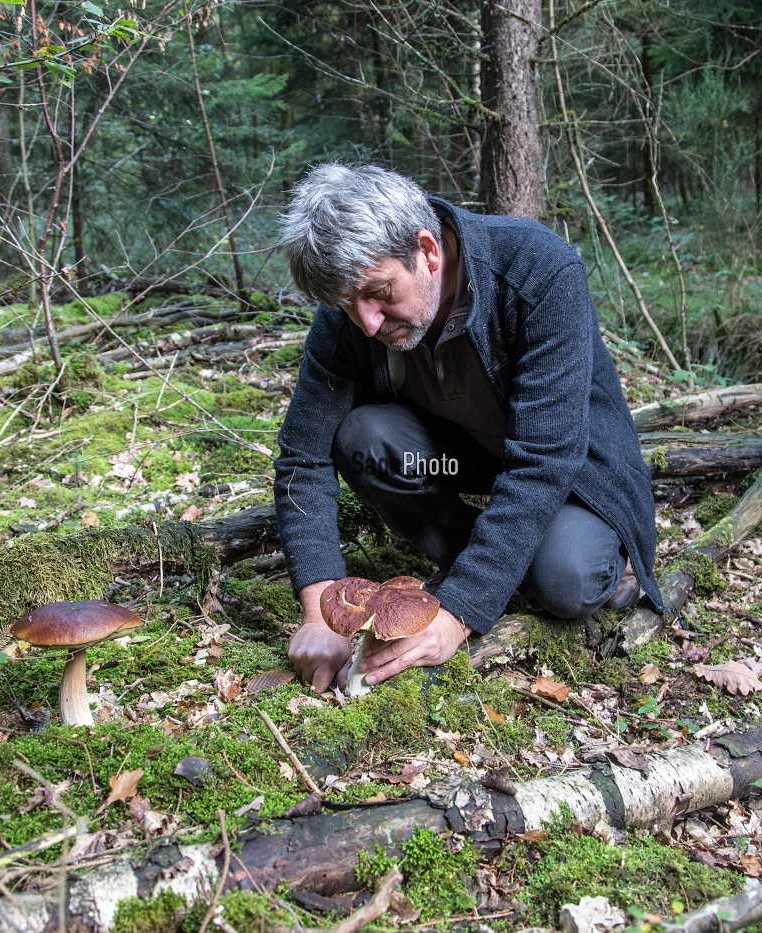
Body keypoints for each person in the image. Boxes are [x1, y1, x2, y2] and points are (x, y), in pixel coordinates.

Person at [273, 163, 662, 692]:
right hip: (463, 459)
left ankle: (586, 559)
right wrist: (321, 612)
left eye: (380, 292)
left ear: (428, 251)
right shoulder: (353, 314)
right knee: (364, 440)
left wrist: (458, 611)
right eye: (347, 305)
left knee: (567, 579)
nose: (367, 322)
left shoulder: (535, 269)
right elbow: (304, 456)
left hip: (573, 470)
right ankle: (472, 551)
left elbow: (544, 459)